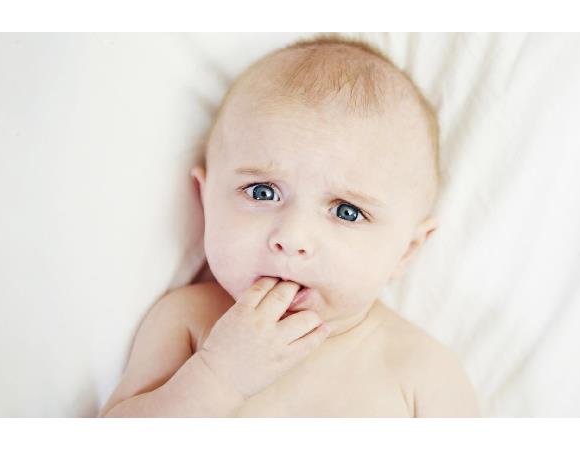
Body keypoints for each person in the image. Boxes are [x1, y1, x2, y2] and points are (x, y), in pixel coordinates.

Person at [99, 35, 479, 417]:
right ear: (205, 198)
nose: (292, 238)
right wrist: (217, 376)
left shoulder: (423, 372)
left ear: (407, 250)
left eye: (347, 212)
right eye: (262, 192)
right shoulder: (188, 321)